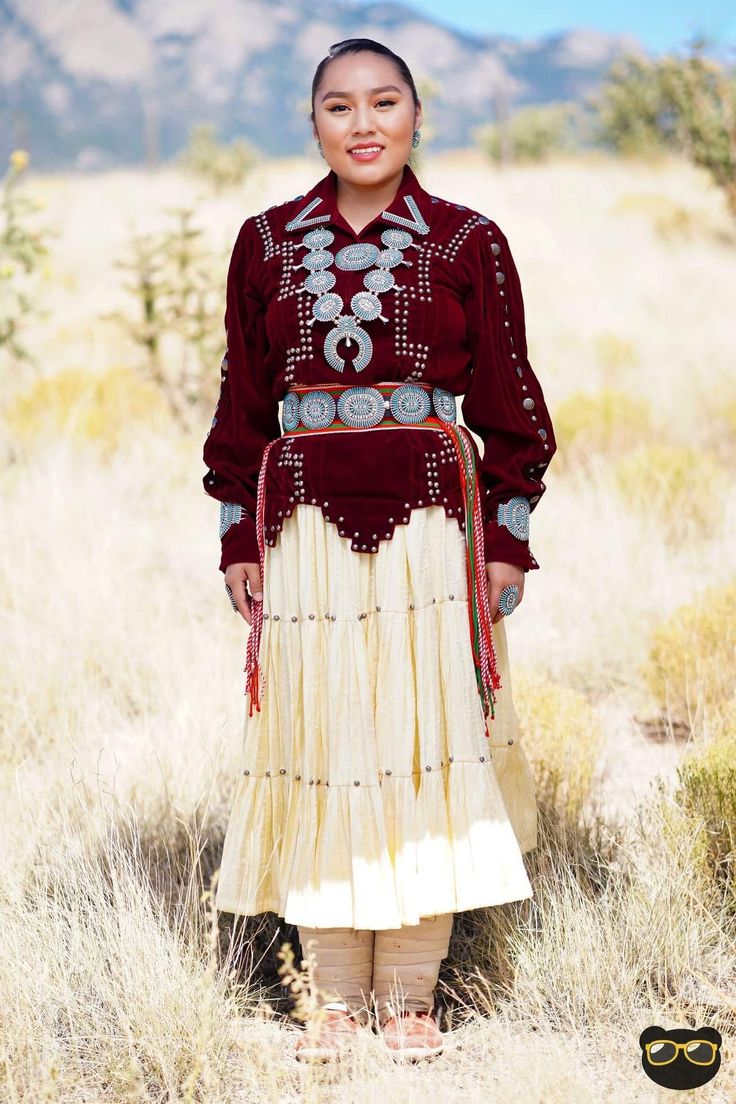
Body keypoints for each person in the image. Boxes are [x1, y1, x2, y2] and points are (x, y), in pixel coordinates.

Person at [202, 37, 557, 1062]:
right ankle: (334, 998)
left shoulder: (465, 241)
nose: (363, 125)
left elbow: (513, 411)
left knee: (418, 742)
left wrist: (506, 541)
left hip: (432, 533)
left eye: (383, 103)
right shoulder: (264, 243)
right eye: (338, 107)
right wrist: (237, 528)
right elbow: (241, 404)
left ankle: (409, 995)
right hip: (304, 529)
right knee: (322, 745)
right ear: (311, 123)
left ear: (415, 114)